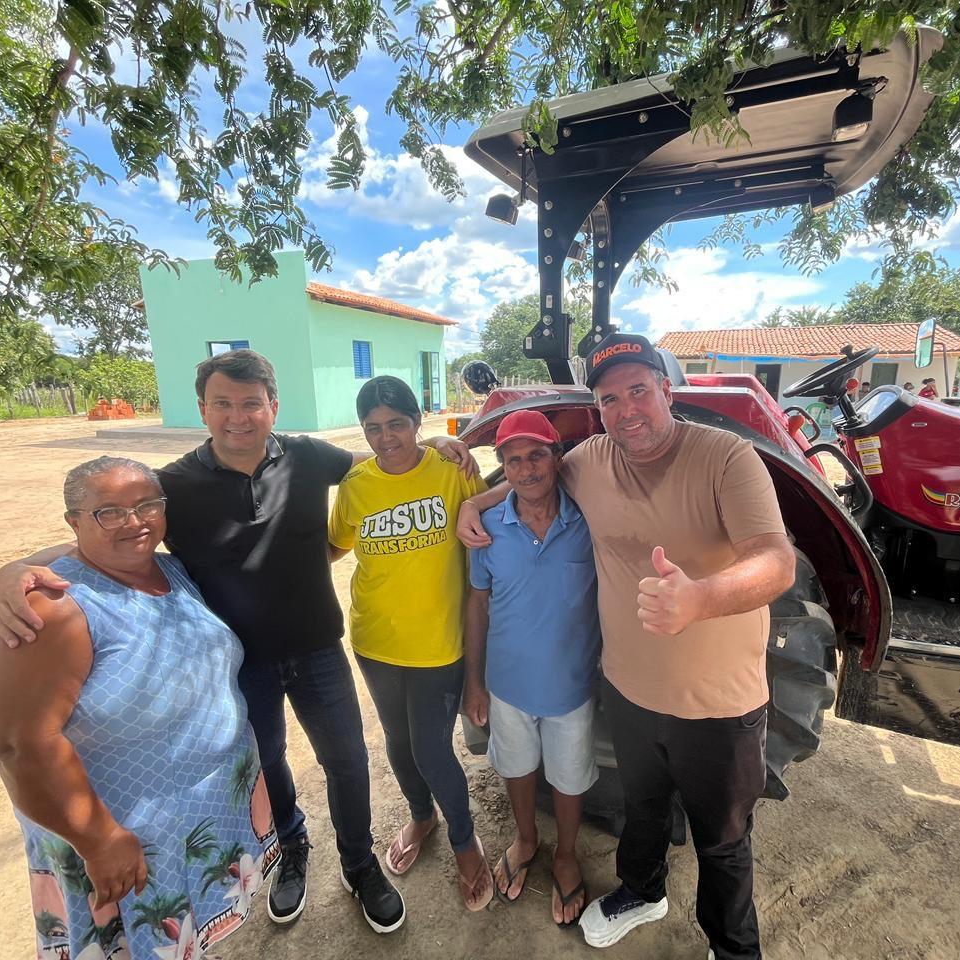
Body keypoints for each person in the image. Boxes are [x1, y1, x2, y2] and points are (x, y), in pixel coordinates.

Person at [0, 349, 475, 934]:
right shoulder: (175, 484)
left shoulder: (310, 456)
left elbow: (385, 459)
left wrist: (443, 445)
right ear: (203, 409)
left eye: (251, 403)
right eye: (223, 404)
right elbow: (113, 529)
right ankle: (293, 853)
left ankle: (360, 864)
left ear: (273, 406)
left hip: (318, 647)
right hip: (239, 662)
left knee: (347, 761)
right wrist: (11, 570)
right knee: (267, 763)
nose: (238, 417)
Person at [457, 333, 794, 960]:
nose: (626, 409)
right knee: (643, 807)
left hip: (715, 702)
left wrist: (698, 599)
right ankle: (643, 891)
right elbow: (534, 476)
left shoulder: (726, 457)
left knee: (723, 840)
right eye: (610, 399)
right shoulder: (591, 459)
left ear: (666, 390)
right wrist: (478, 498)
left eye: (638, 390)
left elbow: (775, 563)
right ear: (599, 410)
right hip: (629, 690)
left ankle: (734, 949)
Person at [0, 457, 278, 960]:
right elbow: (17, 745)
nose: (134, 521)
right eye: (108, 512)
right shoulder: (52, 610)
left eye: (146, 505)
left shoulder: (170, 568)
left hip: (192, 818)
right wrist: (97, 840)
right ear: (74, 521)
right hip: (122, 840)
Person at [328, 376, 495, 911]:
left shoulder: (452, 470)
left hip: (439, 646)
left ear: (416, 423)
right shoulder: (356, 483)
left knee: (429, 747)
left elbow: (498, 506)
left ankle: (466, 844)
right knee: (398, 743)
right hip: (375, 641)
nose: (386, 438)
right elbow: (336, 544)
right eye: (373, 428)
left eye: (397, 424)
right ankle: (423, 817)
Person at [462, 410, 601, 926]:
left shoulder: (588, 520)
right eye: (513, 460)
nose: (526, 469)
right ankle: (526, 839)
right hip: (508, 685)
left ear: (556, 458)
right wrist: (474, 681)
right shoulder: (486, 528)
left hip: (572, 686)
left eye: (536, 455)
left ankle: (565, 854)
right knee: (517, 769)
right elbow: (477, 603)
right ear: (503, 467)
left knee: (569, 778)